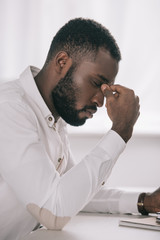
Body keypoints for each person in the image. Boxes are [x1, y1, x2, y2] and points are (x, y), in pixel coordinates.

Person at [0, 18, 159, 240]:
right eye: (96, 83)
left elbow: (75, 194)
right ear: (62, 62)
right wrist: (120, 130)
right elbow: (53, 210)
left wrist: (145, 201)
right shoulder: (9, 109)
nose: (101, 101)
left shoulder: (53, 116)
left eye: (105, 89)